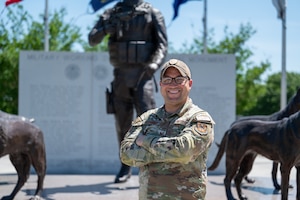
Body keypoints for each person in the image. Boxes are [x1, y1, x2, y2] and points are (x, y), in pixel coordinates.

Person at [88, 0, 168, 183]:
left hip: (143, 76)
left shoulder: (152, 13)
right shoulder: (111, 13)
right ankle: (126, 164)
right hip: (121, 76)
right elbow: (92, 39)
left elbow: (162, 45)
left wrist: (153, 66)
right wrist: (108, 26)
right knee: (122, 124)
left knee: (149, 123)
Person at [120, 58, 215, 199]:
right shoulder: (146, 118)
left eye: (178, 79)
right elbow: (125, 154)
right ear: (161, 84)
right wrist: (170, 153)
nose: (172, 84)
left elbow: (184, 151)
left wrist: (146, 142)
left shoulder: (199, 119)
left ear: (189, 84)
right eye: (167, 80)